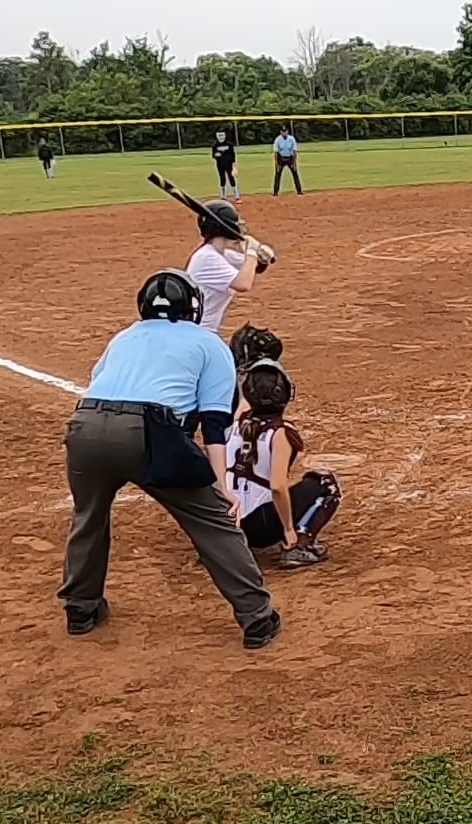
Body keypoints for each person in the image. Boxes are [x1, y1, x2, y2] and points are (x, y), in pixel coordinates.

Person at [59, 269, 282, 648]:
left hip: (85, 426)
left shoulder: (124, 336)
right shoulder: (208, 343)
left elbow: (100, 383)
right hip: (150, 431)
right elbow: (214, 426)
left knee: (88, 516)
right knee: (212, 521)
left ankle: (81, 609)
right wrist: (222, 486)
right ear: (193, 307)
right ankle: (257, 618)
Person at [226, 356, 342, 570]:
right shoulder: (280, 433)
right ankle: (300, 546)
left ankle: (221, 548)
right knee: (326, 483)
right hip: (259, 529)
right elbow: (277, 487)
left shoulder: (235, 424)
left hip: (227, 525)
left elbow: (247, 405)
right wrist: (288, 529)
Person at [185, 199, 270, 331]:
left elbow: (255, 267)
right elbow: (243, 284)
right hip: (198, 331)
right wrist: (252, 252)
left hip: (203, 330)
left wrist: (261, 255)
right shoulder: (207, 257)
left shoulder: (221, 254)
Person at [272, 125, 304, 196]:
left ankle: (299, 191)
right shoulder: (278, 139)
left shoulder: (291, 139)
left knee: (295, 173)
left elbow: (294, 152)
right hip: (281, 158)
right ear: (280, 132)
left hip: (290, 158)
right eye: (283, 132)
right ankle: (275, 192)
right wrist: (277, 164)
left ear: (287, 131)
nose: (284, 133)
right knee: (277, 174)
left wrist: (294, 164)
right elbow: (276, 153)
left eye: (285, 131)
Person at [212, 130, 241, 201]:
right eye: (219, 136)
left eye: (222, 135)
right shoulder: (215, 145)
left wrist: (234, 165)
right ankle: (223, 196)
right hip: (220, 165)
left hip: (229, 165)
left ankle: (236, 195)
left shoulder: (229, 144)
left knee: (231, 178)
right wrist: (216, 155)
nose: (221, 137)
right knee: (222, 178)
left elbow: (233, 155)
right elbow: (213, 155)